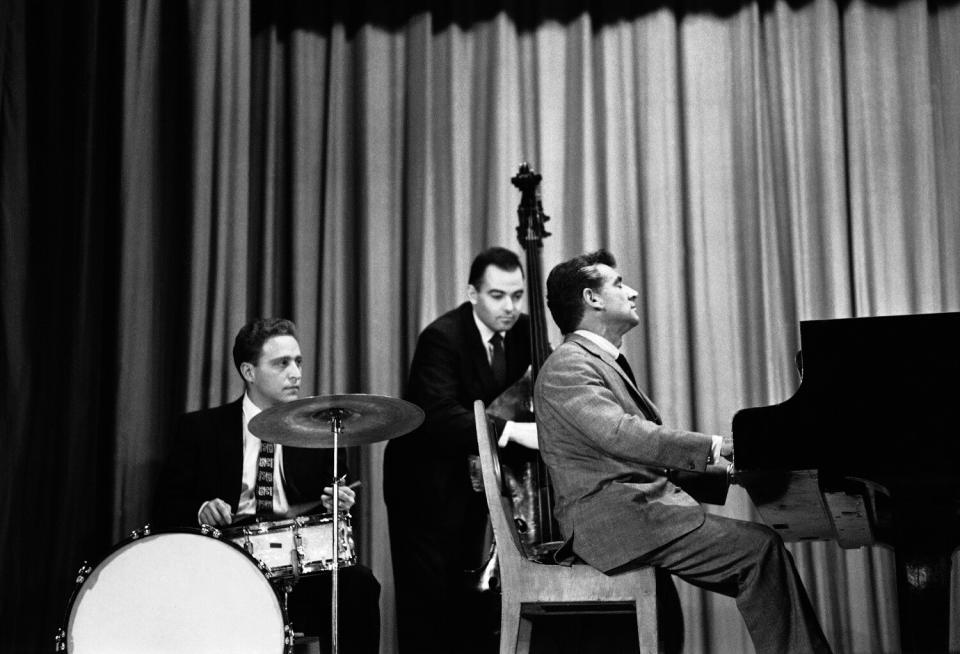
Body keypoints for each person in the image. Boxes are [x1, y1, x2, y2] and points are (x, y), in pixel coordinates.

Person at [533, 250, 832, 654]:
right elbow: (624, 436)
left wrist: (730, 471)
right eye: (619, 284)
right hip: (620, 521)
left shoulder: (597, 363)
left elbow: (636, 453)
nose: (633, 293)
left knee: (759, 551)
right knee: (760, 552)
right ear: (592, 298)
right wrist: (715, 447)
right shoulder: (568, 365)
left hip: (637, 514)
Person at [156, 318, 381, 654]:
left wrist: (337, 503)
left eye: (298, 362)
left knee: (358, 583)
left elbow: (330, 524)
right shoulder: (200, 429)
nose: (296, 373)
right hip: (225, 564)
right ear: (249, 371)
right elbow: (165, 507)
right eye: (282, 363)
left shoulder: (322, 435)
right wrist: (203, 510)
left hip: (296, 569)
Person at [383, 247, 539, 654]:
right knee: (429, 607)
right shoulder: (441, 337)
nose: (510, 307)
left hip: (476, 484)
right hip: (424, 486)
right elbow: (438, 416)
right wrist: (515, 432)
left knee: (472, 602)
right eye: (497, 295)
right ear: (472, 293)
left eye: (517, 296)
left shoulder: (526, 331)